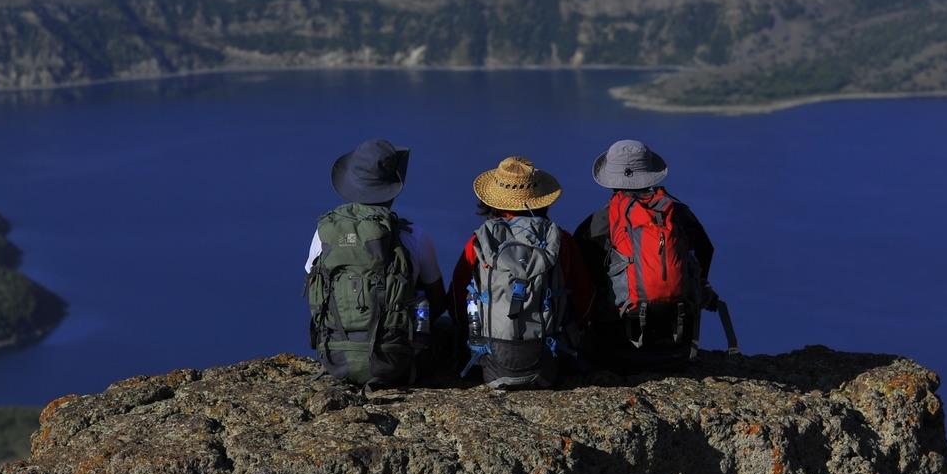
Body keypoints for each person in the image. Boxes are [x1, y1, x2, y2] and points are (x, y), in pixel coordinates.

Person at [575, 139, 732, 371]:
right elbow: (706, 249)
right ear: (650, 174)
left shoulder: (600, 221)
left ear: (611, 181)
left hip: (616, 352)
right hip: (677, 351)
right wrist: (694, 286)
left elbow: (579, 271)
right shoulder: (677, 213)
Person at [304, 138, 449, 387]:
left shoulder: (324, 233)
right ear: (392, 189)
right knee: (447, 329)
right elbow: (439, 302)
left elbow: (314, 291)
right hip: (395, 363)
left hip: (336, 360)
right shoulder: (413, 236)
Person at [448, 156, 593, 388]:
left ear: (493, 201)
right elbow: (584, 303)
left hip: (491, 363)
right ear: (541, 200)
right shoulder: (561, 241)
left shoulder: (480, 241)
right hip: (549, 363)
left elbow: (456, 304)